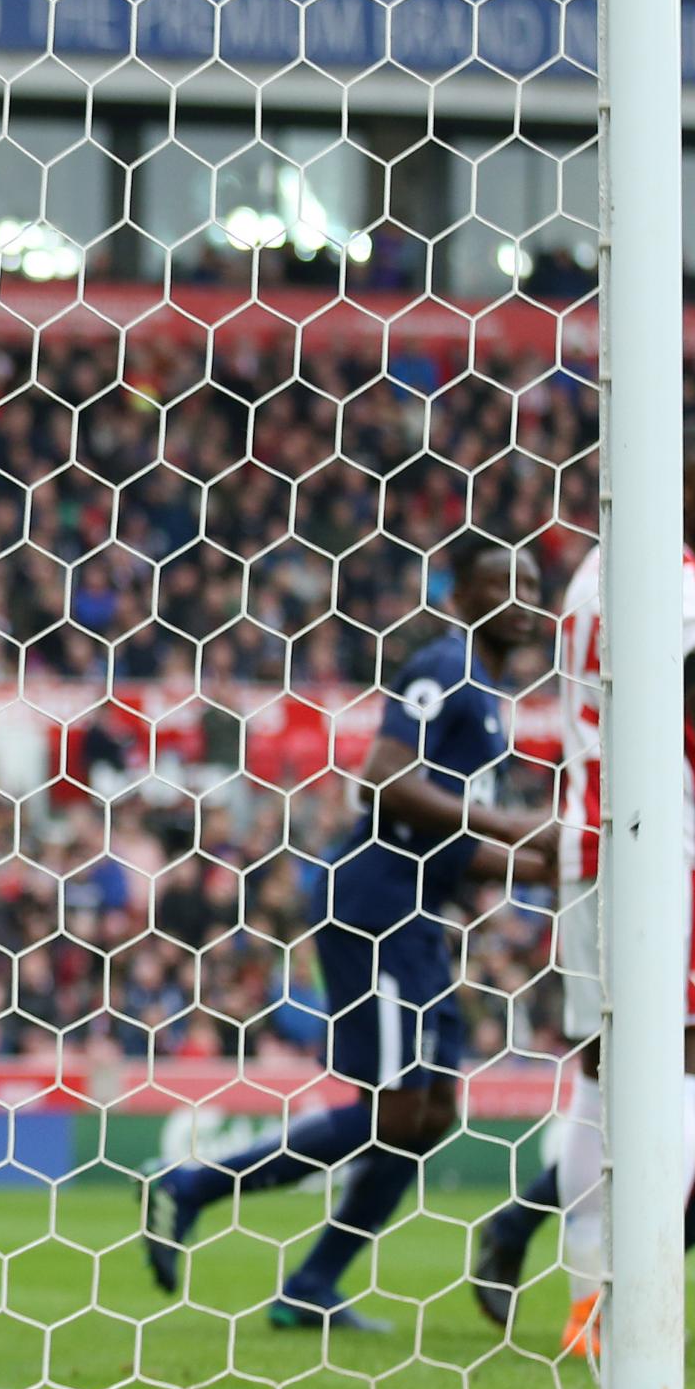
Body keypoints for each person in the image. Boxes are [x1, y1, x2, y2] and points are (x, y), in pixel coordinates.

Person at [472, 449, 695, 1351]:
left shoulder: (593, 575)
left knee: (603, 1072)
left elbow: (680, 723)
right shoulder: (689, 584)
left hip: (592, 841)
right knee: (674, 1067)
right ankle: (633, 1298)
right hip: (672, 854)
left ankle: (589, 1296)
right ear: (671, 486)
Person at [144, 538, 553, 1331]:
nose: (527, 598)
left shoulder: (493, 698)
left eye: (535, 584)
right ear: (462, 593)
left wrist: (545, 858)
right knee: (399, 1113)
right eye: (508, 583)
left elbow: (457, 840)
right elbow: (386, 778)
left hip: (417, 913)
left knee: (432, 1113)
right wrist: (518, 827)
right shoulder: (446, 665)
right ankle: (192, 1186)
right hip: (376, 905)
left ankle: (309, 1284)